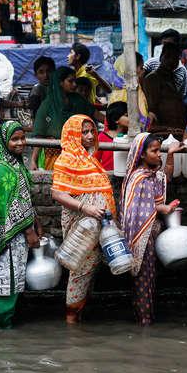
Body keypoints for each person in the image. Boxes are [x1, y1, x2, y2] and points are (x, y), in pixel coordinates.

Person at [51, 115, 115, 324]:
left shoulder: (91, 159)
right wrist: (85, 207)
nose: (89, 136)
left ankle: (78, 317)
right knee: (79, 270)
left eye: (91, 132)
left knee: (89, 269)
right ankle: (71, 319)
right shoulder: (66, 159)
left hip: (96, 224)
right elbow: (58, 194)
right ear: (72, 135)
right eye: (83, 132)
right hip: (80, 225)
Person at [120, 132, 183, 325]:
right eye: (154, 151)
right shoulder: (138, 179)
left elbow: (166, 177)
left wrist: (171, 154)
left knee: (149, 279)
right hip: (141, 238)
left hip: (150, 237)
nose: (159, 154)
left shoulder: (151, 175)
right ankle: (144, 320)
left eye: (159, 150)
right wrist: (163, 208)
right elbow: (135, 209)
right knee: (143, 280)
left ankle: (145, 317)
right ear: (142, 154)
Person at [0, 121, 42, 329]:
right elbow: (9, 203)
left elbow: (25, 197)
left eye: (22, 138)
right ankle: (5, 326)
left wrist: (35, 220)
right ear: (4, 141)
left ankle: (11, 322)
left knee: (16, 275)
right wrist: (29, 231)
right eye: (15, 139)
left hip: (22, 231)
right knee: (7, 279)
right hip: (9, 233)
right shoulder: (0, 167)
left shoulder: (17, 164)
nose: (21, 143)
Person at [30, 66, 102, 171]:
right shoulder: (48, 105)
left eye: (75, 81)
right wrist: (33, 160)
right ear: (60, 82)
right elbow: (40, 133)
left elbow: (97, 115)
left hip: (78, 154)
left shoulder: (79, 100)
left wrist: (117, 119)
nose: (74, 84)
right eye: (70, 81)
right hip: (54, 156)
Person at [142, 42, 187, 130]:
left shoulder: (172, 77)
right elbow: (151, 110)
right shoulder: (152, 78)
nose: (171, 61)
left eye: (175, 58)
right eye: (168, 56)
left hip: (176, 128)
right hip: (163, 130)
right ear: (161, 57)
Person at [145, 28, 187, 97]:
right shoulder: (151, 63)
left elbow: (168, 95)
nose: (166, 48)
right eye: (164, 45)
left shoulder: (180, 70)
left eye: (170, 45)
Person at [95, 101, 129, 171]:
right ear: (116, 119)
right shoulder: (102, 137)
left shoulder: (130, 136)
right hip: (107, 177)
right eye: (126, 115)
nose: (130, 118)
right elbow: (95, 160)